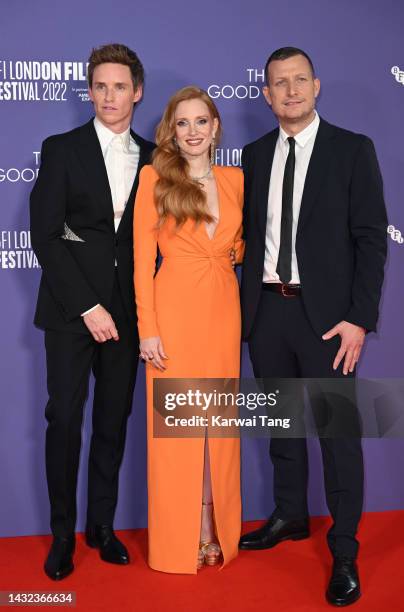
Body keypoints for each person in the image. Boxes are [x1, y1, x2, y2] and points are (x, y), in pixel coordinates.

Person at [239, 47, 387, 606]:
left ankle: (344, 549)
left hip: (329, 321)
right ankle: (290, 516)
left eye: (300, 80)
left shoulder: (352, 150)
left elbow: (372, 240)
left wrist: (360, 320)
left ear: (316, 86)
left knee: (337, 437)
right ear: (267, 94)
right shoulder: (253, 156)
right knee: (283, 427)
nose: (292, 91)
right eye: (280, 83)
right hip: (267, 313)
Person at [30, 43, 154, 580]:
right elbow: (48, 233)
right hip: (70, 312)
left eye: (119, 86)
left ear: (137, 92)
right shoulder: (61, 149)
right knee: (64, 419)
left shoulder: (154, 157)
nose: (109, 96)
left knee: (112, 421)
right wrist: (87, 305)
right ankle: (62, 536)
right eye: (100, 86)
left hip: (129, 315)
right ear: (89, 91)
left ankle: (101, 528)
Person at [133, 86, 243, 573]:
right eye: (183, 123)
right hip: (172, 311)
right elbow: (140, 262)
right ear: (171, 132)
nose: (194, 131)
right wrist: (147, 329)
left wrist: (230, 254)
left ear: (216, 127)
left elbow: (239, 242)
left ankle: (212, 528)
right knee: (177, 429)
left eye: (202, 121)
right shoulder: (154, 178)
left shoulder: (236, 179)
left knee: (216, 426)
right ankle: (181, 539)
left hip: (222, 309)